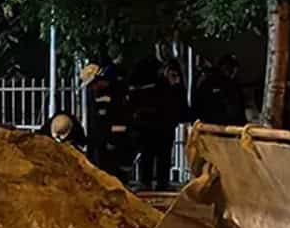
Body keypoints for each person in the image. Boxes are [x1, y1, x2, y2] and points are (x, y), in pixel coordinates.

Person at [133, 58, 191, 191]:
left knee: (164, 157)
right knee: (148, 155)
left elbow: (181, 104)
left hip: (167, 126)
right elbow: (142, 100)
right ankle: (145, 181)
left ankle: (162, 182)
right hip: (150, 126)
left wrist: (185, 118)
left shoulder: (177, 87)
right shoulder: (154, 84)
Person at [81, 62, 130, 180]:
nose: (92, 87)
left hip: (116, 137)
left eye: (93, 84)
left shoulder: (115, 92)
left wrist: (112, 139)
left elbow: (119, 117)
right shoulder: (95, 94)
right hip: (102, 138)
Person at [194, 53, 247, 126]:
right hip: (218, 126)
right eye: (230, 68)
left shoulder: (233, 84)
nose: (233, 72)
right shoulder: (210, 83)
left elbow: (238, 108)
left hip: (222, 126)